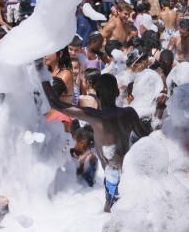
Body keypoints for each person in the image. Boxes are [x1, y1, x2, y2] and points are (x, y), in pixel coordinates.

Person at [42, 73, 149, 212]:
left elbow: (55, 103)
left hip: (113, 178)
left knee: (111, 216)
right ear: (117, 92)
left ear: (97, 94)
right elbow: (147, 138)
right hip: (130, 175)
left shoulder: (96, 116)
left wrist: (41, 72)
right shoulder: (129, 113)